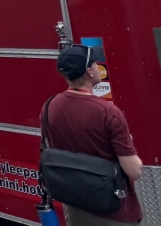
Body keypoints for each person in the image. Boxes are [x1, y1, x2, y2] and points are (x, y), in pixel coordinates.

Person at [41, 44, 143, 226]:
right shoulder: (108, 112)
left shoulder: (49, 106)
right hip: (112, 212)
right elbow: (134, 171)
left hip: (75, 207)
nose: (98, 67)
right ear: (89, 71)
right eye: (95, 63)